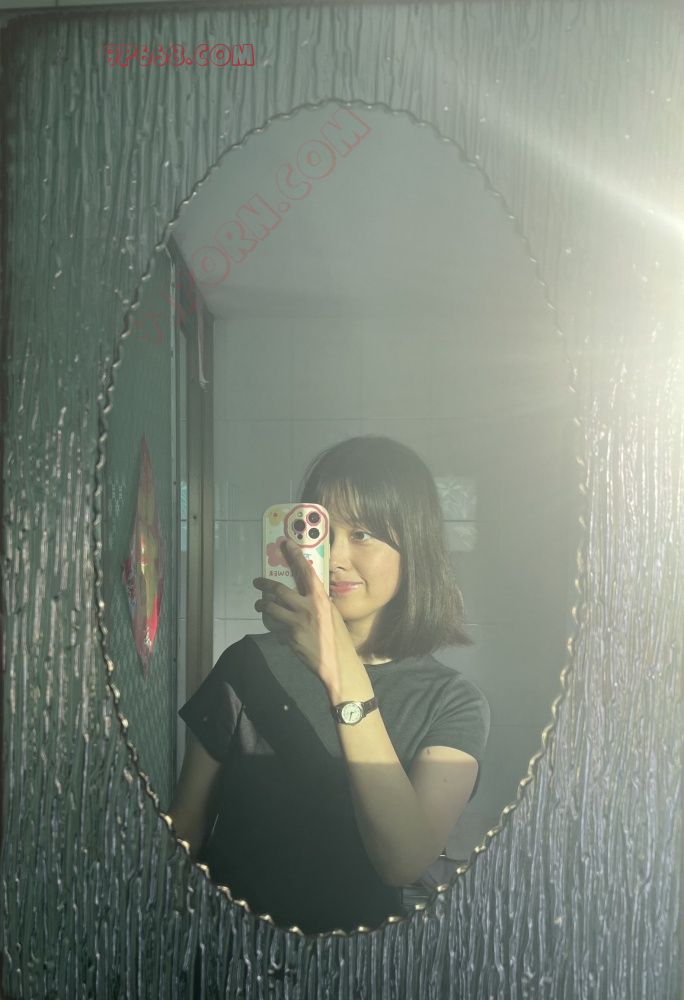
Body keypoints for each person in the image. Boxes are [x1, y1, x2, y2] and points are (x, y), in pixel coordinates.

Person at [168, 435, 490, 935]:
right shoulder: (249, 663)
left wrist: (342, 674)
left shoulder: (452, 704)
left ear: (414, 548)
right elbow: (183, 831)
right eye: (322, 532)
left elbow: (403, 861)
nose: (335, 557)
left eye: (362, 533)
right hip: (223, 951)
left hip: (354, 962)